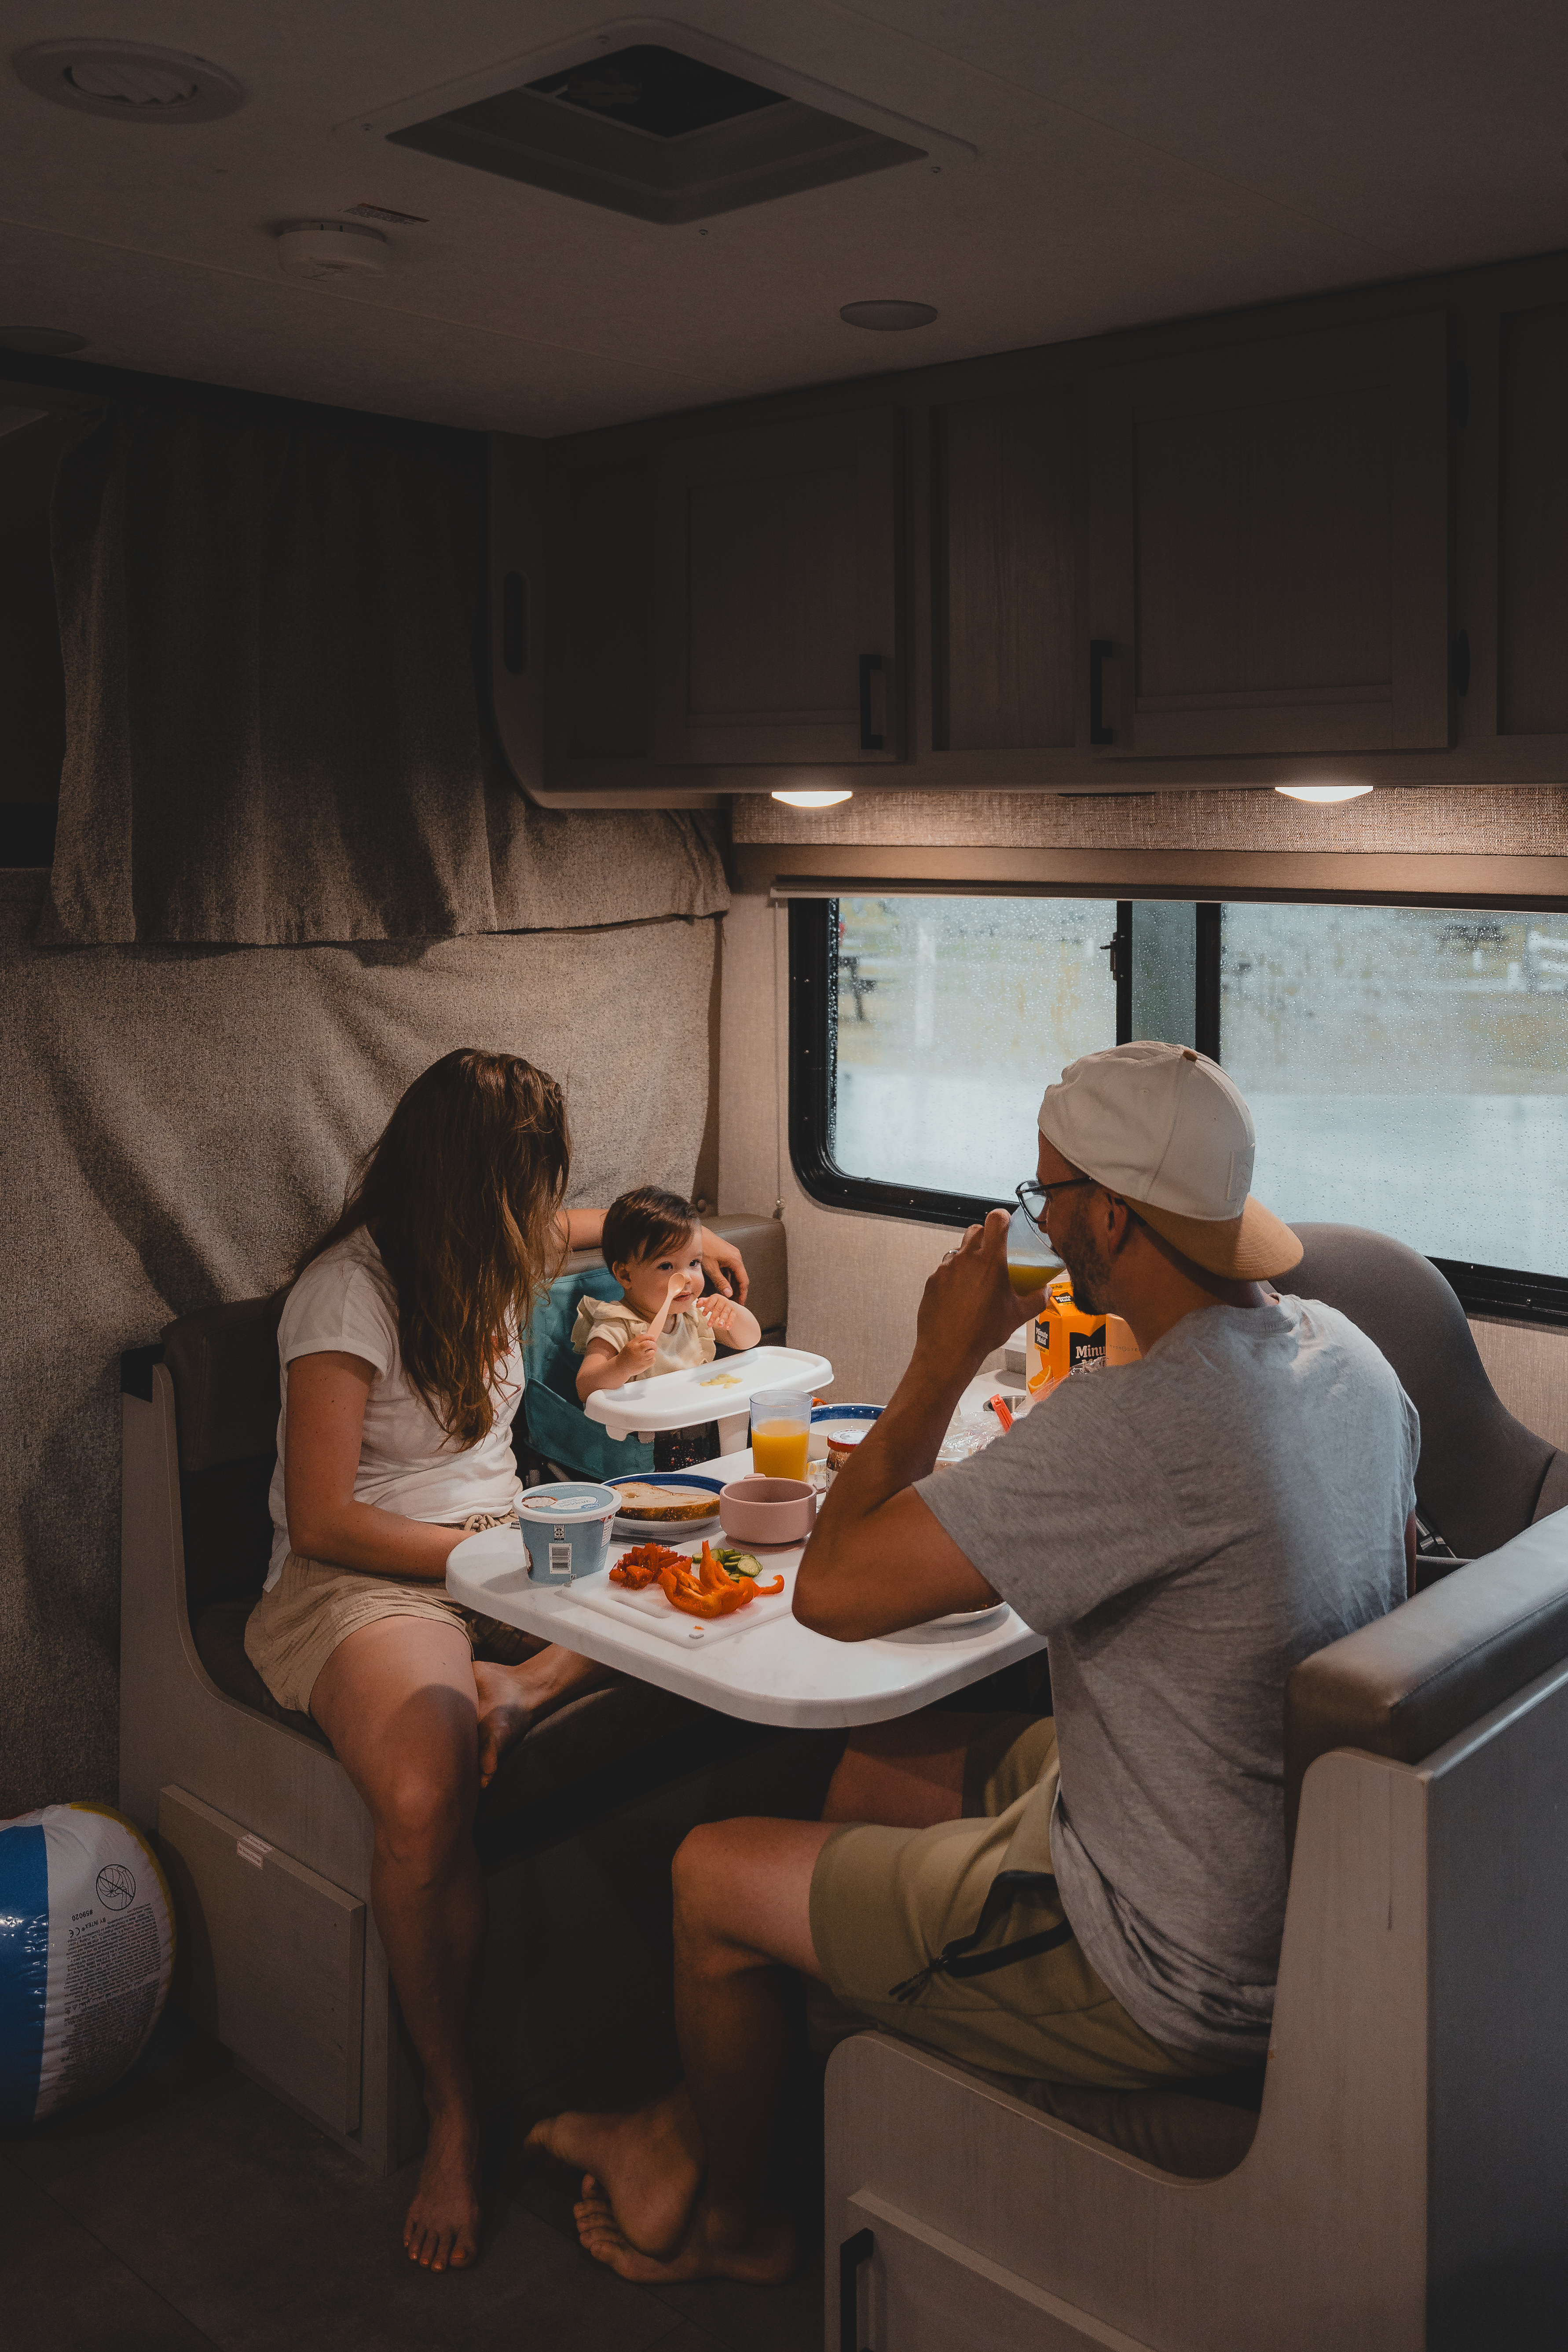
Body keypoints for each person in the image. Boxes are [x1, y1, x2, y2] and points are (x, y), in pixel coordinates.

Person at [527, 1041, 1418, 2286]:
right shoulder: (1348, 1357)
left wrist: (939, 1356)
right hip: (1268, 1845)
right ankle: (686, 2131)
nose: (1031, 1220)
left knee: (710, 1876)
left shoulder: (1142, 1420)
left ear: (1106, 1217)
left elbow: (833, 1593)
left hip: (1172, 1955)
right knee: (879, 1762)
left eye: (1042, 1195)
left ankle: (742, 2227)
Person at [242, 1049, 750, 2275]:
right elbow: (321, 1519)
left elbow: (599, 1224)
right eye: (529, 1200)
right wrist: (483, 1546)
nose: (545, 1226)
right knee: (422, 1797)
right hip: (369, 1575)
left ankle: (525, 1684)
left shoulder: (498, 1239)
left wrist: (684, 1238)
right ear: (467, 1195)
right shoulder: (345, 1296)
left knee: (717, 1598)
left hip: (508, 1539)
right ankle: (457, 2113)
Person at [575, 1185, 762, 1469]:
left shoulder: (693, 1314)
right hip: (645, 1453)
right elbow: (586, 1386)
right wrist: (623, 1365)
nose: (686, 1278)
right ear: (625, 1274)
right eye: (666, 1266)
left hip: (703, 1436)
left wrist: (731, 1311)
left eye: (694, 1263)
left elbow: (749, 1339)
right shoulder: (618, 1321)